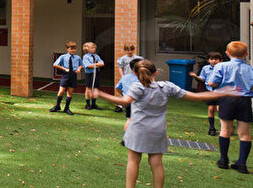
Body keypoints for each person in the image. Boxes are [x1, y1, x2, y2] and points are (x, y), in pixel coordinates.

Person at [95, 59, 235, 188]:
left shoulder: (137, 87)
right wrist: (222, 93)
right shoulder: (166, 87)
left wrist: (102, 94)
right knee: (157, 165)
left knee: (133, 161)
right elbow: (196, 97)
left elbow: (125, 102)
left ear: (136, 74)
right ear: (156, 73)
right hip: (158, 131)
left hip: (137, 130)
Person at [207, 40, 253, 174]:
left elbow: (212, 83)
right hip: (244, 101)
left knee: (225, 130)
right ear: (246, 54)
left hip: (227, 99)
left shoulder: (221, 67)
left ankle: (223, 160)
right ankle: (242, 164)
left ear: (227, 53)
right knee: (244, 134)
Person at [188, 51, 223, 136]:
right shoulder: (205, 68)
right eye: (211, 59)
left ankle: (225, 128)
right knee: (211, 109)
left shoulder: (223, 68)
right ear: (208, 60)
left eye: (216, 59)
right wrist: (195, 76)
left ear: (221, 60)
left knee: (220, 109)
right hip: (210, 91)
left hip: (221, 91)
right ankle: (212, 128)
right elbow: (203, 79)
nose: (214, 61)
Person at [114, 57, 145, 145]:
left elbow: (118, 87)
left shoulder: (125, 77)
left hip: (128, 100)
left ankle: (125, 139)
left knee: (129, 119)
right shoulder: (142, 78)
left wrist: (123, 95)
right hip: (139, 101)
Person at [50, 40, 84, 114]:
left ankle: (66, 108)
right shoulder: (63, 57)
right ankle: (57, 106)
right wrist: (64, 68)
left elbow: (81, 65)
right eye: (72, 49)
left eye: (75, 49)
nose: (73, 50)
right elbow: (55, 64)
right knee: (61, 91)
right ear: (67, 49)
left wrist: (79, 68)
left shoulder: (77, 57)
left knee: (70, 93)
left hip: (73, 76)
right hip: (65, 75)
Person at [114, 43, 143, 113]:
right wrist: (122, 76)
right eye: (128, 50)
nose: (130, 51)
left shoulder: (138, 58)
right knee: (123, 90)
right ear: (125, 50)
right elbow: (120, 68)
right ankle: (120, 105)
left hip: (136, 77)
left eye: (132, 50)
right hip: (127, 77)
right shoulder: (123, 59)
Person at [82, 41, 105, 109]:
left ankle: (94, 104)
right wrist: (98, 64)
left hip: (96, 73)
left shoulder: (96, 56)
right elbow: (88, 65)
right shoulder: (86, 57)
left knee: (95, 88)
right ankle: (88, 104)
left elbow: (102, 63)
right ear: (87, 49)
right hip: (89, 74)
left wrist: (95, 65)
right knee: (88, 88)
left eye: (94, 48)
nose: (94, 49)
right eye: (92, 48)